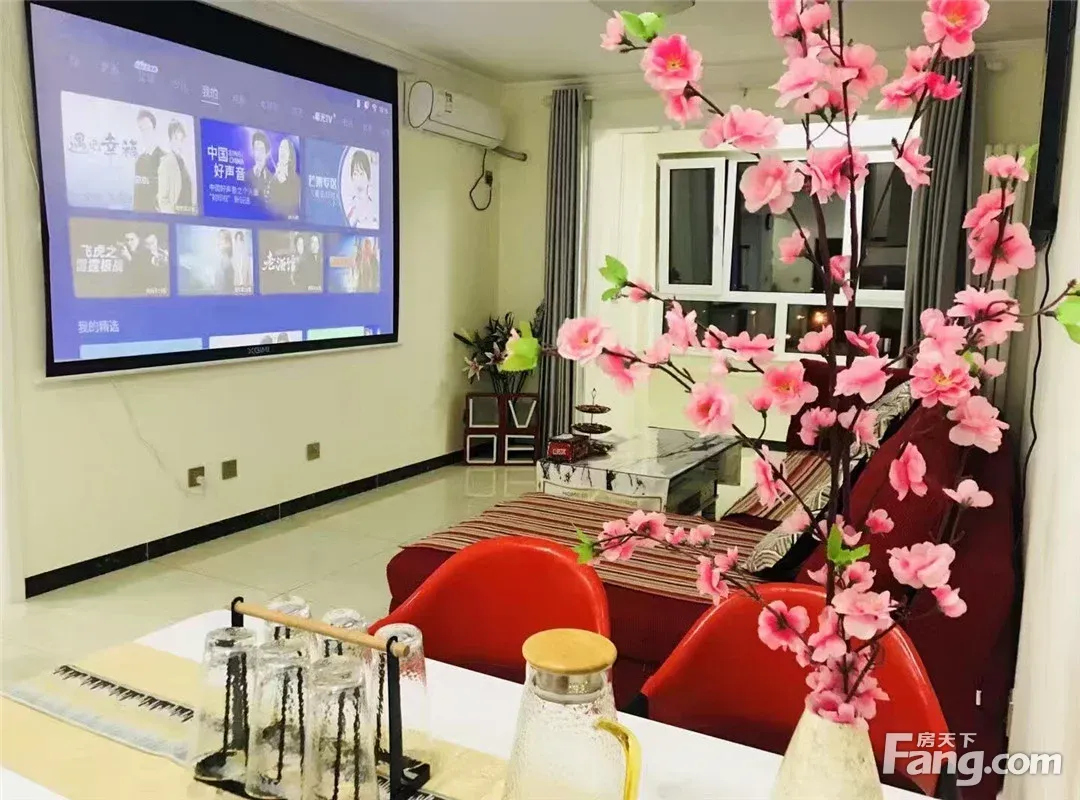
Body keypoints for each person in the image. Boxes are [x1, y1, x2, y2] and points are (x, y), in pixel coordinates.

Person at [157, 120, 194, 214]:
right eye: (176, 138)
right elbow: (163, 200)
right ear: (170, 140)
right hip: (175, 217)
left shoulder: (183, 163)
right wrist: (172, 217)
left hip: (187, 216)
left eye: (181, 139)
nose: (179, 143)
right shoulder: (167, 163)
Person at [133, 110, 162, 212]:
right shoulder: (139, 161)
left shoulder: (165, 159)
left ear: (154, 130)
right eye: (142, 130)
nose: (145, 134)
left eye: (148, 129)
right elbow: (137, 198)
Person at [267, 138, 300, 219]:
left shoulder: (296, 179)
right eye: (281, 148)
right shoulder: (272, 179)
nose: (282, 151)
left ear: (290, 155)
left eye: (285, 149)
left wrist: (283, 183)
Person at [344, 148, 377, 229]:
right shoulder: (349, 207)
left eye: (361, 173)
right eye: (355, 173)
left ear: (368, 178)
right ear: (352, 177)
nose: (358, 178)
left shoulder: (374, 208)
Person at [250, 131, 273, 202]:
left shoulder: (272, 180)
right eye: (256, 149)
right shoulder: (246, 176)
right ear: (253, 151)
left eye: (261, 149)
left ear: (267, 153)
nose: (258, 153)